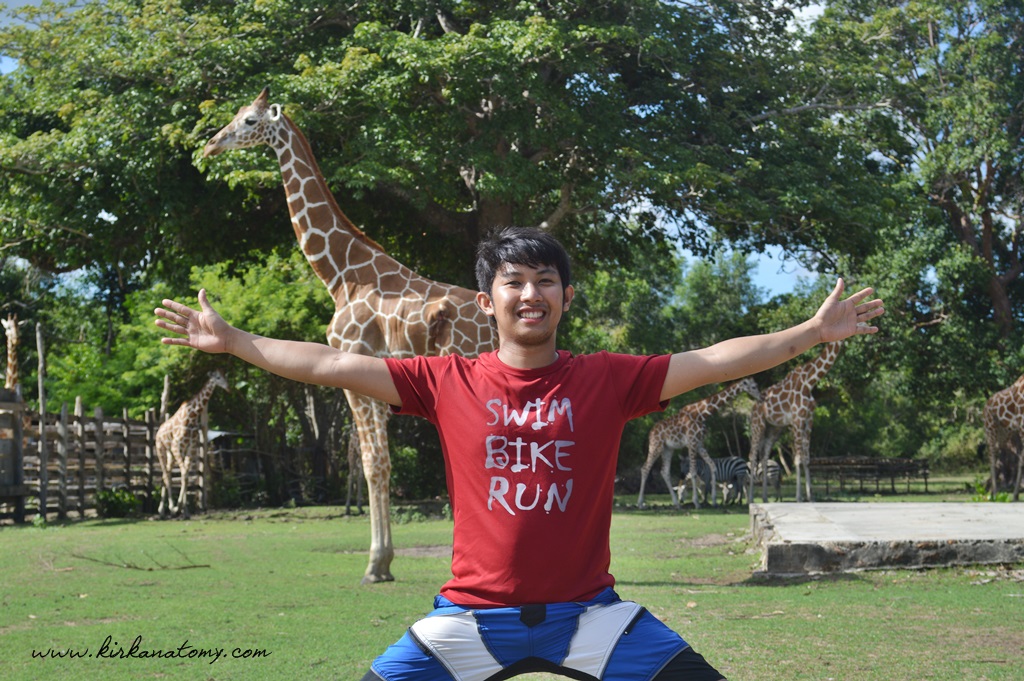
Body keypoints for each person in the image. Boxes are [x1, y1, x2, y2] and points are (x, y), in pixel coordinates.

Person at [155, 227, 884, 680]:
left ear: (566, 296)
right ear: (487, 301)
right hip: (470, 619)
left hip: (589, 616)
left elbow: (716, 359)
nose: (529, 293)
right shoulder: (445, 380)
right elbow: (329, 364)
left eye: (544, 281)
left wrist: (810, 333)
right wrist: (236, 342)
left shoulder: (606, 378)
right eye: (514, 282)